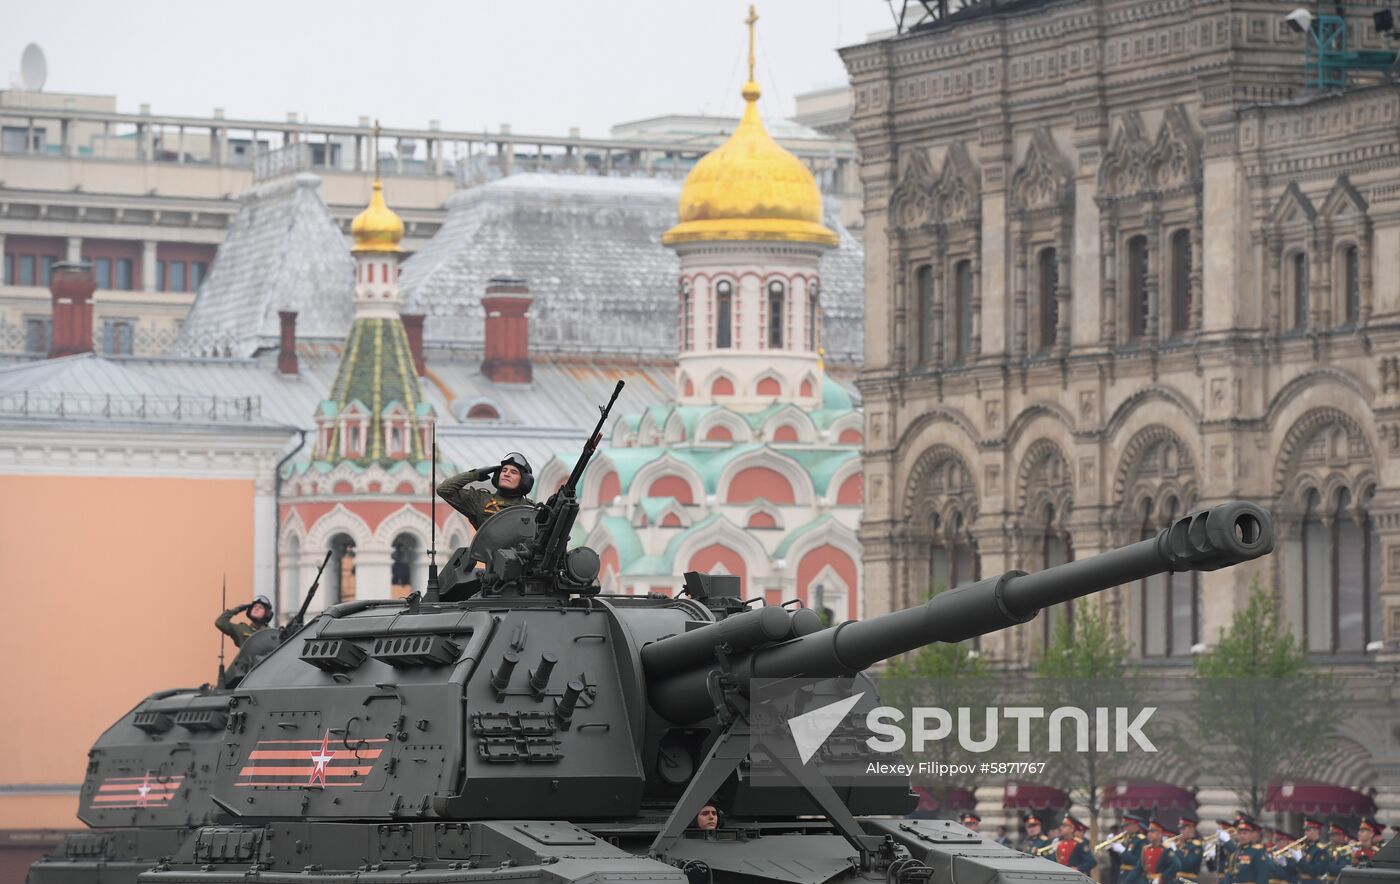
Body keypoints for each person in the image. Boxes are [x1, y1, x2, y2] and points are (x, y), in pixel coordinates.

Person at [436, 452, 535, 529]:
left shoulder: (530, 509)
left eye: (513, 472)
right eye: (504, 470)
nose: (506, 474)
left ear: (524, 481)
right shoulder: (479, 500)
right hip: (486, 554)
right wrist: (475, 474)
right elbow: (444, 490)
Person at [1124, 819, 1182, 884]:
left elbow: (1176, 865)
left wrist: (1162, 878)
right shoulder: (1146, 849)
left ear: (1160, 834)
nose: (1149, 834)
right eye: (1149, 832)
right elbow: (1138, 869)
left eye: (1152, 831)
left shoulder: (1165, 850)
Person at [1222, 816, 1274, 884]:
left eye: (1245, 833)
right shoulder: (1236, 851)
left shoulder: (1257, 851)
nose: (1242, 836)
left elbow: (1262, 875)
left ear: (1251, 834)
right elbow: (1230, 874)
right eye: (1240, 833)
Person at [1294, 818, 1329, 884]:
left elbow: (1315, 871)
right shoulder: (1306, 848)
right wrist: (1285, 863)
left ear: (1317, 831)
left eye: (1308, 830)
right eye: (1305, 830)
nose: (1305, 833)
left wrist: (1300, 859)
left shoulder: (1321, 850)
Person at [1175, 814, 1205, 883]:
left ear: (1192, 828)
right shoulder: (1182, 844)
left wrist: (1176, 850)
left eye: (1183, 829)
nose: (1181, 832)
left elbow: (1186, 865)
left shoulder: (1196, 846)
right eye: (1180, 829)